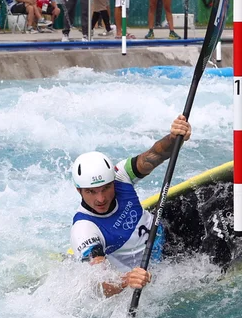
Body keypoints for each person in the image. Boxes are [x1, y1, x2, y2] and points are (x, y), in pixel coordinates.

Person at [69, 115, 192, 297]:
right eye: (91, 192)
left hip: (165, 235)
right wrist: (127, 280)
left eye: (106, 188)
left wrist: (174, 138)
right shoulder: (84, 229)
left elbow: (157, 154)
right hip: (147, 271)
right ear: (79, 191)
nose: (101, 198)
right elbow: (100, 285)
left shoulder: (120, 175)